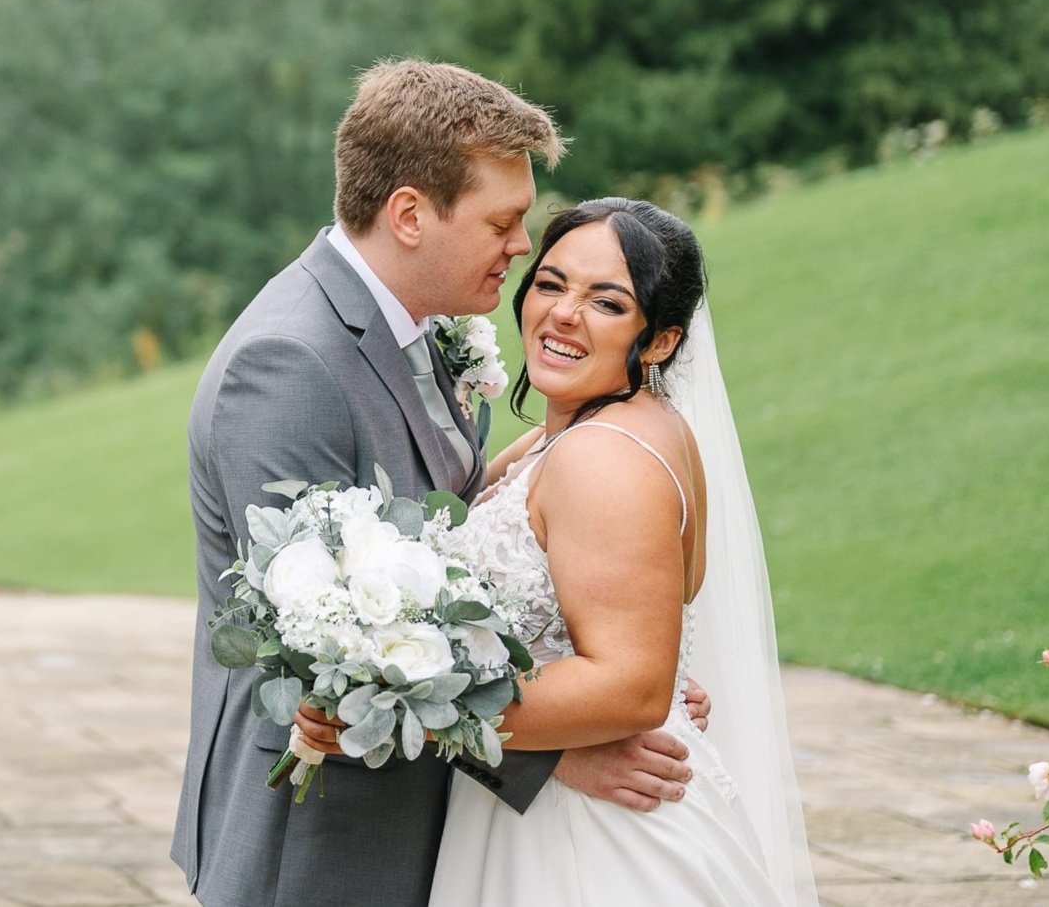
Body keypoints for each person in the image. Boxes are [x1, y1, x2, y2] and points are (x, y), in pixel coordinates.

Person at [171, 65, 708, 906]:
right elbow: (329, 656)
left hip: (431, 824)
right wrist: (558, 747)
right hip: (323, 844)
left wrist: (602, 660)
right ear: (411, 215)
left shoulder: (422, 331)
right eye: (503, 221)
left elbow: (455, 545)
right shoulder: (289, 365)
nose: (523, 247)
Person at [401, 199, 820, 905]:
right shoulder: (589, 433)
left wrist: (412, 692)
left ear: (659, 341)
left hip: (589, 842)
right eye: (552, 283)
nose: (564, 314)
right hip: (560, 810)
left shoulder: (604, 457)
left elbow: (633, 685)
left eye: (607, 302)